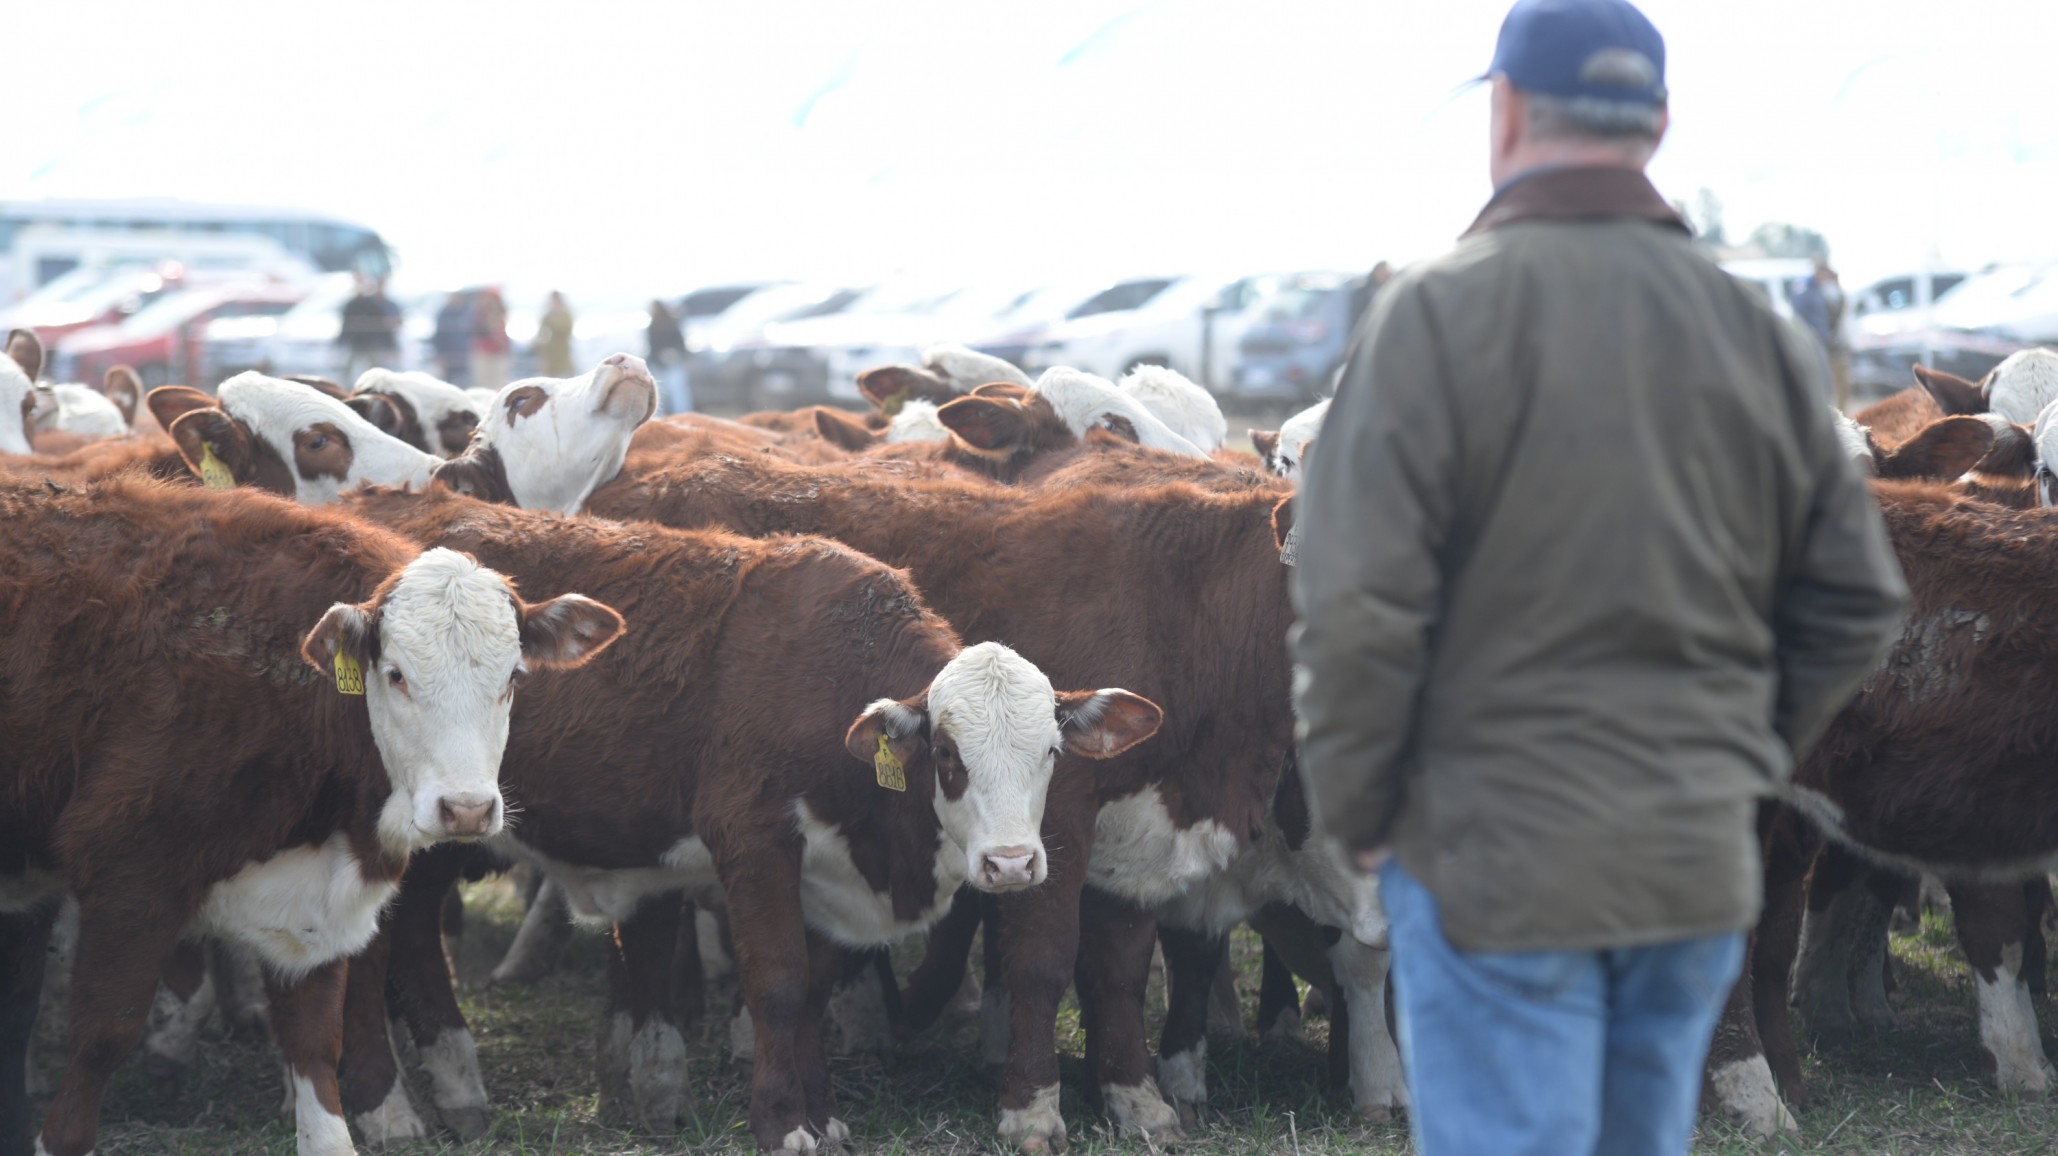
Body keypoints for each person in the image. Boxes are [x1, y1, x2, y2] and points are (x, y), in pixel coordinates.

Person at [1290, 3, 1909, 1154]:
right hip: (1685, 847)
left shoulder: (1431, 316)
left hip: (1488, 847)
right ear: (1659, 122)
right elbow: (1857, 599)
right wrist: (1741, 751)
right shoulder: (1760, 335)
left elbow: (1353, 599)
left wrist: (1362, 810)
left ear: (1507, 110)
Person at [337, 276, 401, 383]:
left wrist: (391, 345)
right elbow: (346, 325)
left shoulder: (374, 305)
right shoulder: (351, 305)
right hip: (356, 342)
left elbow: (382, 325)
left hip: (372, 342)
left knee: (375, 368)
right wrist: (341, 342)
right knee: (349, 368)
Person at [647, 298, 691, 413]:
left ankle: (681, 413)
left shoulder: (672, 324)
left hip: (674, 363)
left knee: (677, 392)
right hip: (658, 364)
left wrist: (674, 354)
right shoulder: (652, 327)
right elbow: (652, 348)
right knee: (661, 392)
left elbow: (681, 345)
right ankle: (661, 414)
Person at [470, 287, 512, 391]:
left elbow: (503, 335)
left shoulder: (502, 314)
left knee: (499, 382)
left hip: (499, 352)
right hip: (484, 352)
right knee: (483, 382)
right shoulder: (478, 314)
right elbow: (475, 331)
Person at [431, 290, 473, 386]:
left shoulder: (467, 312)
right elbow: (438, 336)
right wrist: (439, 354)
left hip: (464, 355)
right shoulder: (443, 314)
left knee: (465, 382)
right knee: (448, 383)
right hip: (448, 355)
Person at [534, 291, 577, 378]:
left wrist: (553, 322)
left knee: (566, 374)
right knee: (549, 376)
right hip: (550, 352)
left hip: (562, 350)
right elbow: (542, 333)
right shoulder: (547, 315)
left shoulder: (565, 314)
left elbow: (567, 330)